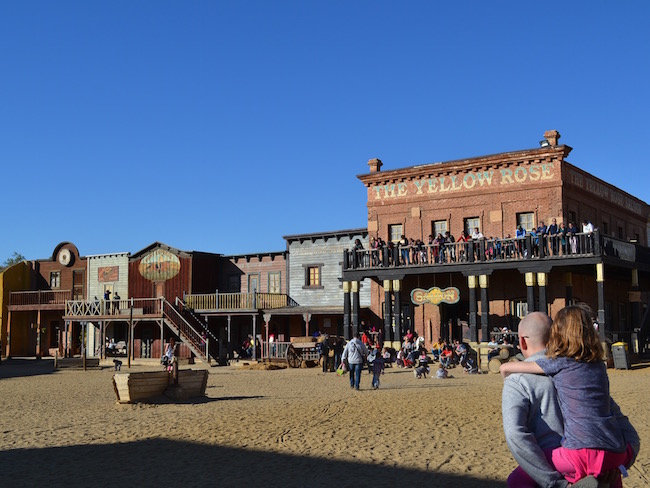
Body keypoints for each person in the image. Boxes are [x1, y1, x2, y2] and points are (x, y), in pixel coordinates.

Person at [501, 308, 639, 487]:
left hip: (564, 462)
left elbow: (515, 434)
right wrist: (626, 455)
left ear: (522, 342)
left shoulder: (519, 380)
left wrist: (554, 482)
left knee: (516, 481)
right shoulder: (589, 369)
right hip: (608, 462)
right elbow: (616, 417)